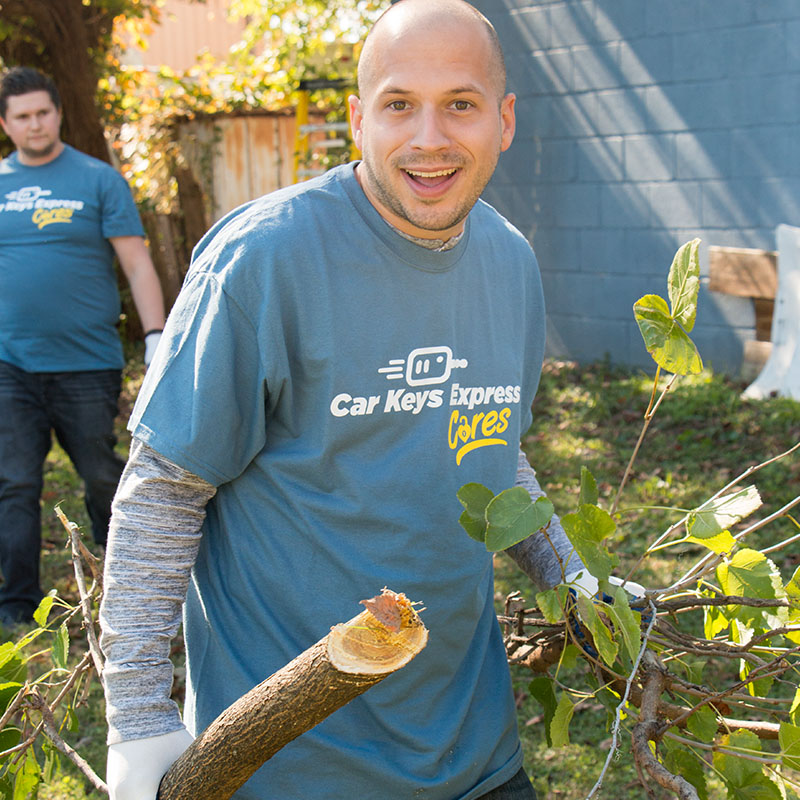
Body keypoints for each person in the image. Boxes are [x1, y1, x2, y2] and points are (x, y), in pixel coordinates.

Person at [99, 2, 625, 798]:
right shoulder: (264, 259)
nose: (429, 138)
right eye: (398, 104)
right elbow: (165, 491)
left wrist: (575, 583)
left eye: (461, 103)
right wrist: (138, 717)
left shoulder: (510, 264)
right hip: (292, 767)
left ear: (505, 119)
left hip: (474, 753)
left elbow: (490, 451)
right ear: (356, 118)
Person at [0, 67, 166, 627]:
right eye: (22, 116)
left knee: (101, 474)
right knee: (15, 482)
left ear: (58, 113)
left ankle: (128, 586)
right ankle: (16, 605)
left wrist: (156, 335)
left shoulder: (98, 180)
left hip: (87, 363)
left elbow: (136, 262)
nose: (35, 123)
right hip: (9, 365)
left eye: (43, 112)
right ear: (5, 123)